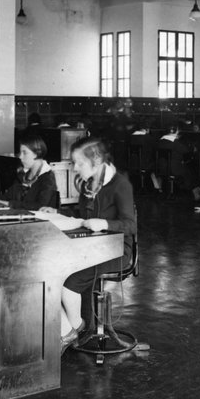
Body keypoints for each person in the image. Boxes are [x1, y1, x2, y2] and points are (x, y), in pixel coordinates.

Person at [52, 136, 136, 350]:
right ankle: (74, 331)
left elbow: (130, 226)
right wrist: (59, 213)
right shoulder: (88, 184)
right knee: (54, 274)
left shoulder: (120, 185)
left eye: (80, 163)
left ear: (96, 161)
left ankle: (74, 331)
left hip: (116, 252)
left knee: (69, 284)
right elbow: (83, 216)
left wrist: (104, 223)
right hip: (91, 249)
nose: (75, 168)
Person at [3, 134, 57, 210]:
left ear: (36, 153)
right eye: (20, 152)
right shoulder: (23, 175)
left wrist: (10, 204)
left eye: (25, 153)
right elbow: (8, 196)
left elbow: (40, 206)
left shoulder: (47, 178)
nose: (20, 157)